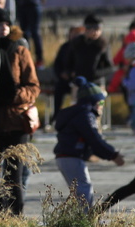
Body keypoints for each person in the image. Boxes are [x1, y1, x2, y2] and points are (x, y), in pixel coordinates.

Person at [0, 4, 39, 215]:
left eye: (6, 23)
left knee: (14, 175)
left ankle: (15, 218)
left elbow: (33, 86)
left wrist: (14, 96)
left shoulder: (19, 49)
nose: (3, 28)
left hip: (16, 122)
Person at [52, 77, 124, 208]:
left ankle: (81, 218)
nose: (102, 107)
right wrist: (112, 154)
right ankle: (88, 221)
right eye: (101, 103)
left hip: (65, 156)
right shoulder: (85, 115)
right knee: (84, 190)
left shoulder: (76, 113)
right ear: (93, 102)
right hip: (71, 156)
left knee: (80, 192)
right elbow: (94, 138)